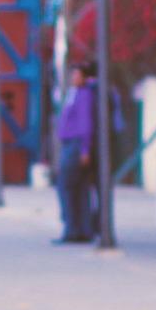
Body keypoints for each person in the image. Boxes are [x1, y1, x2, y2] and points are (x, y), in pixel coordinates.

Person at [54, 64, 95, 243]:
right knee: (79, 188)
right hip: (70, 144)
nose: (73, 78)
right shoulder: (74, 93)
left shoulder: (83, 95)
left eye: (77, 75)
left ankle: (72, 229)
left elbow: (85, 124)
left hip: (75, 145)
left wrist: (85, 149)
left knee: (66, 186)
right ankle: (83, 229)